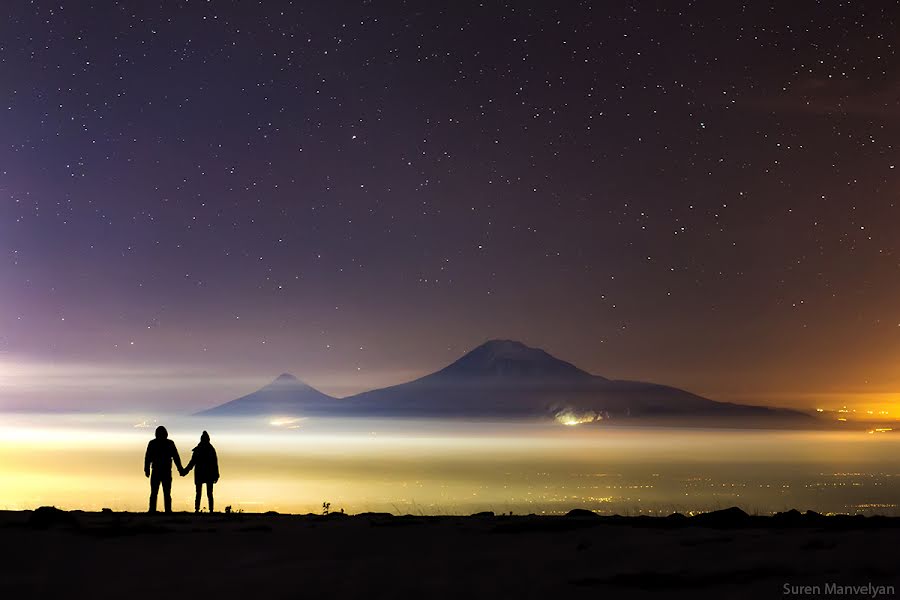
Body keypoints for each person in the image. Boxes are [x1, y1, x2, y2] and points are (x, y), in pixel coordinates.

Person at [144, 425, 184, 513]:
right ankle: (167, 510)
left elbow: (148, 457)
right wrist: (180, 469)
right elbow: (176, 457)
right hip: (165, 471)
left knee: (155, 492)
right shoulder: (170, 443)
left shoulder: (153, 443)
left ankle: (152, 510)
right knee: (166, 493)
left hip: (157, 471)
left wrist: (147, 469)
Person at [182, 430, 219, 513]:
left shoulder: (199, 449)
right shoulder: (210, 449)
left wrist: (185, 471)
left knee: (199, 492)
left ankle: (198, 509)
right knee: (208, 493)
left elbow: (192, 462)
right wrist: (216, 474)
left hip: (201, 473)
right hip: (208, 473)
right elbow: (215, 463)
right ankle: (210, 510)